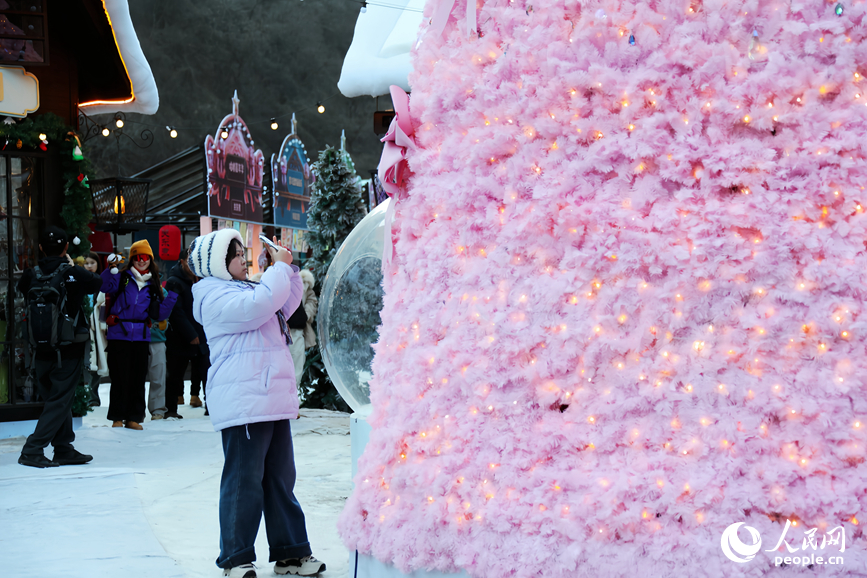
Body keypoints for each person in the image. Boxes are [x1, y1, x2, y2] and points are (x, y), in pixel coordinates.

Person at [190, 229, 325, 578]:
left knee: (280, 478)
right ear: (216, 260)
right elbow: (260, 306)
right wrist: (276, 271)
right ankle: (236, 558)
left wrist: (287, 270)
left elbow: (284, 303)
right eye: (235, 254)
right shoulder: (210, 295)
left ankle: (291, 553)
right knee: (243, 481)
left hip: (270, 397)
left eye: (242, 253)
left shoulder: (246, 287)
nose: (242, 259)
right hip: (244, 400)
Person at [17, 227, 103, 468]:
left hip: (39, 348)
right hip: (69, 346)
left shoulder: (29, 274)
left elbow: (22, 292)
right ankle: (32, 449)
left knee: (56, 398)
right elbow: (98, 282)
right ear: (66, 248)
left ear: (41, 248)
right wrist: (71, 266)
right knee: (59, 400)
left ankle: (63, 448)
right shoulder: (73, 272)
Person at [101, 240, 177, 430]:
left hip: (142, 336)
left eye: (145, 258)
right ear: (133, 259)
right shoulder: (122, 277)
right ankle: (117, 417)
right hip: (119, 334)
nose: (141, 261)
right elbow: (104, 286)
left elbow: (158, 314)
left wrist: (172, 298)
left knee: (137, 378)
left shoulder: (153, 283)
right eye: (137, 258)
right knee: (119, 378)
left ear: (150, 260)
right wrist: (111, 268)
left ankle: (134, 417)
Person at [165, 247, 209, 419]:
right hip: (180, 336)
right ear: (182, 261)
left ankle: (211, 406)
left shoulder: (202, 280)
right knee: (175, 374)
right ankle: (170, 409)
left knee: (207, 372)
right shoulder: (174, 282)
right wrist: (191, 334)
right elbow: (176, 312)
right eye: (190, 261)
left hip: (202, 333)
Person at [83, 252, 108, 408]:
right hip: (81, 325)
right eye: (86, 263)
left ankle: (93, 396)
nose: (89, 266)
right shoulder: (78, 280)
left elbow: (105, 305)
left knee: (96, 361)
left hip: (97, 327)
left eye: (92, 263)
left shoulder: (101, 282)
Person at [146, 283, 169, 420]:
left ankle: (158, 409)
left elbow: (168, 310)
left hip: (157, 338)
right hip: (136, 338)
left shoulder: (161, 290)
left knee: (158, 376)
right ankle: (134, 412)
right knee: (134, 378)